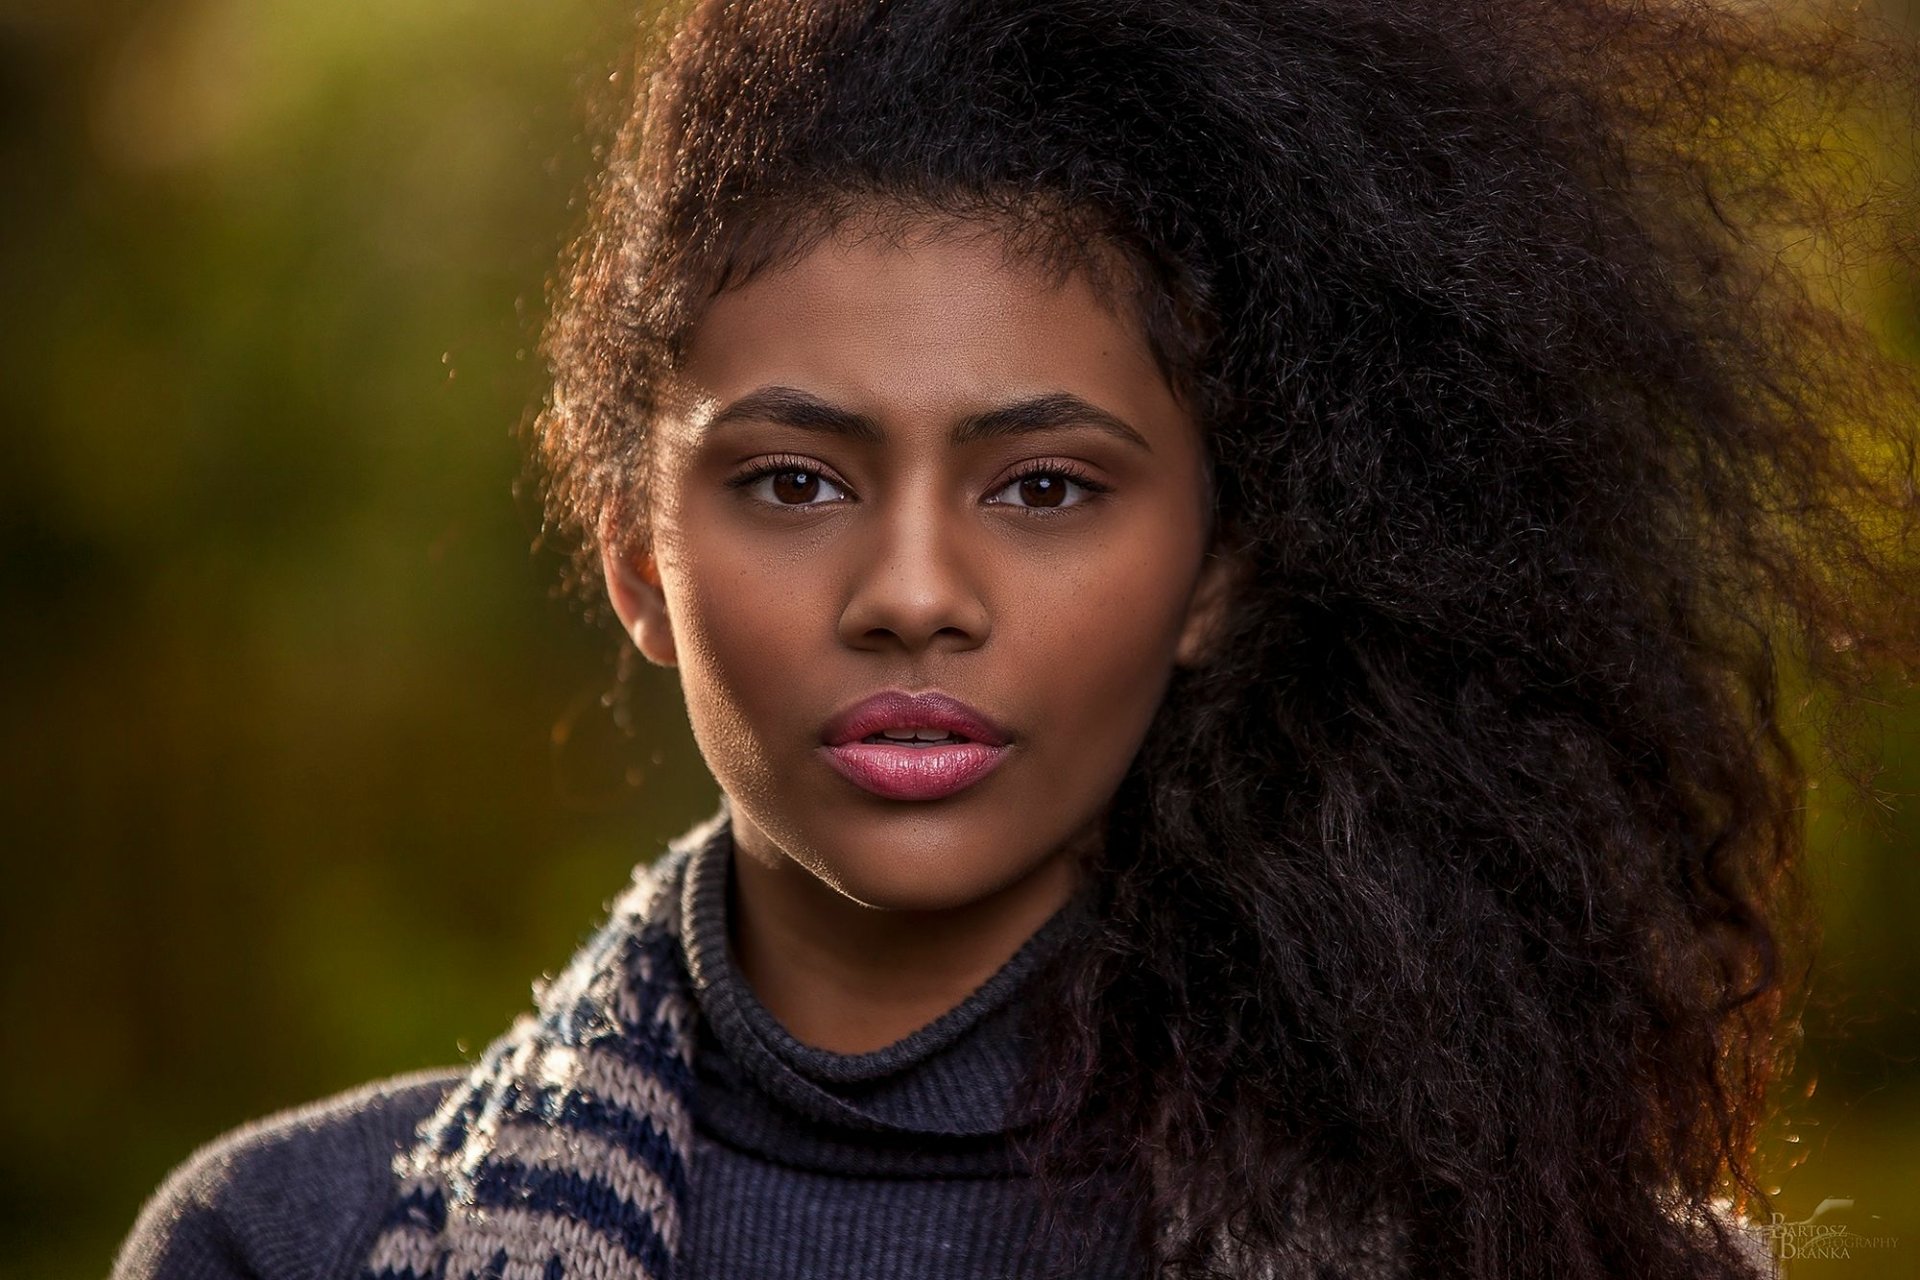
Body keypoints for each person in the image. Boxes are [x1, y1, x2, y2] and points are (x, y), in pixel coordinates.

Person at [110, 0, 1920, 1277]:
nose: (914, 589)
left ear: (1219, 573)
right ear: (637, 564)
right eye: (795, 481)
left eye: (1045, 487)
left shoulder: (1554, 1254)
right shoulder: (293, 1246)